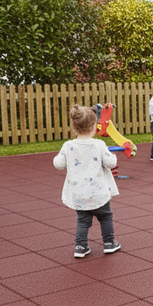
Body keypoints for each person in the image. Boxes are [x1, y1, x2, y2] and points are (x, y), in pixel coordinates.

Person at [54, 105, 121, 258]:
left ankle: (80, 246)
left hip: (79, 193)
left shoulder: (68, 146)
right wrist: (113, 157)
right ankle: (109, 243)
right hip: (98, 192)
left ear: (74, 127)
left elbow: (58, 164)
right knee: (105, 216)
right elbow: (110, 163)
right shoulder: (99, 145)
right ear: (93, 127)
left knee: (83, 220)